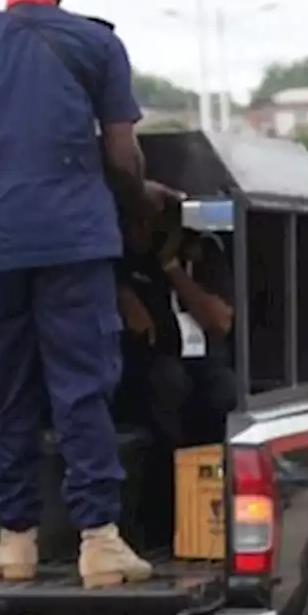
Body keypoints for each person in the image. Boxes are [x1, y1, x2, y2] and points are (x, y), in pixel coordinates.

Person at [0, 0, 173, 589]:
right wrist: (138, 196)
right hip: (73, 240)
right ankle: (99, 541)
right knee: (81, 387)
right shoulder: (96, 43)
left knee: (5, 391)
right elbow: (122, 153)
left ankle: (15, 542)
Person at [115, 212, 235, 546]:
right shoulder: (125, 259)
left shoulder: (204, 252)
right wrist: (126, 296)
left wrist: (173, 268)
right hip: (155, 361)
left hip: (206, 360)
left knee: (222, 393)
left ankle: (210, 509)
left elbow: (220, 321)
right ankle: (165, 516)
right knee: (167, 386)